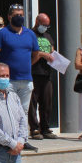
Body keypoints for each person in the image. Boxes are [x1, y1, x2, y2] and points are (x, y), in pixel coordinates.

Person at [0, 3, 39, 151]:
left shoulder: (30, 34)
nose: (19, 18)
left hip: (26, 80)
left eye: (21, 15)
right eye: (16, 15)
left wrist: (26, 65)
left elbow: (35, 55)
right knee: (5, 110)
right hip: (8, 82)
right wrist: (0, 73)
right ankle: (5, 139)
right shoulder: (2, 34)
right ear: (9, 17)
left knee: (23, 111)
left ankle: (23, 140)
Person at [29, 12, 57, 140]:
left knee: (47, 102)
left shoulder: (47, 36)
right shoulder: (30, 34)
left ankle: (45, 127)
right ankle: (34, 128)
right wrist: (41, 54)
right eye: (43, 24)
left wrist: (52, 53)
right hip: (34, 72)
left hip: (46, 74)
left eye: (47, 25)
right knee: (33, 102)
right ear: (37, 22)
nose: (45, 27)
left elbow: (52, 49)